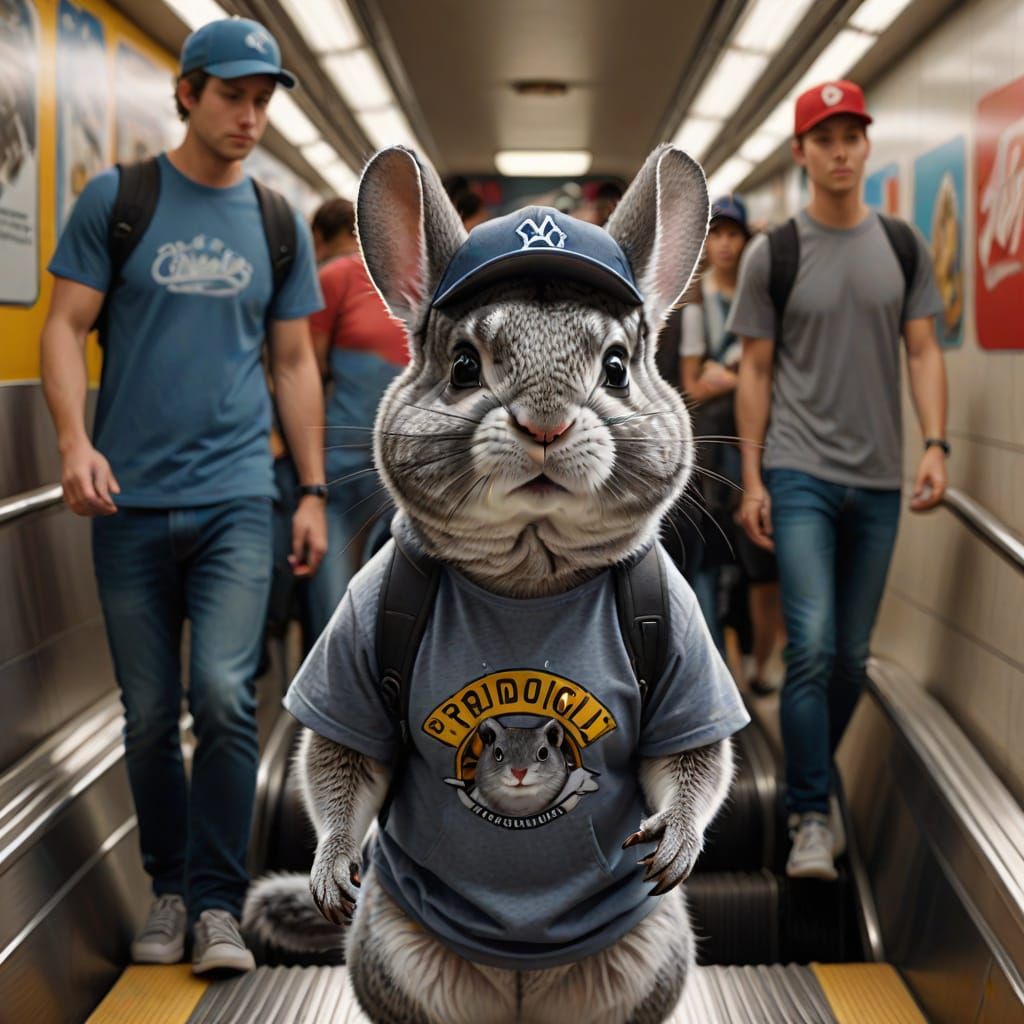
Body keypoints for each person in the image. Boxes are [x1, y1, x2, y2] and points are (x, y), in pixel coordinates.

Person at [39, 17, 326, 973]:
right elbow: (63, 326)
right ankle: (168, 887)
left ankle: (216, 904)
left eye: (262, 100)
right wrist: (73, 442)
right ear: (188, 94)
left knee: (226, 696)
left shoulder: (276, 221)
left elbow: (293, 363)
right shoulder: (119, 200)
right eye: (233, 96)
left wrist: (312, 490)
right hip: (127, 502)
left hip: (239, 496)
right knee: (151, 712)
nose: (250, 116)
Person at [730, 81, 948, 880]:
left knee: (852, 659)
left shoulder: (902, 245)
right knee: (813, 645)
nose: (841, 152)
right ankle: (809, 817)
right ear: (801, 153)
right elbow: (754, 372)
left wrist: (936, 443)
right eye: (824, 139)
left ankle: (808, 777)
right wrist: (752, 477)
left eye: (852, 136)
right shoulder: (774, 253)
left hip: (880, 479)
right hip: (800, 473)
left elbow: (922, 351)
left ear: (866, 144)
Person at [679, 196, 784, 690]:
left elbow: (767, 372)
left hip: (759, 441)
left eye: (733, 235)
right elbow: (692, 386)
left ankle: (761, 664)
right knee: (717, 561)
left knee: (761, 563)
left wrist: (731, 376)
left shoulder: (762, 293)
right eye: (716, 235)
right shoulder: (695, 302)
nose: (724, 245)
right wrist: (738, 378)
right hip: (713, 450)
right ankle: (721, 669)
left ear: (746, 241)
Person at [305, 198, 410, 638]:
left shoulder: (418, 283)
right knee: (332, 607)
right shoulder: (336, 279)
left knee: (392, 606)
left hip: (402, 470)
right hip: (337, 467)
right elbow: (304, 372)